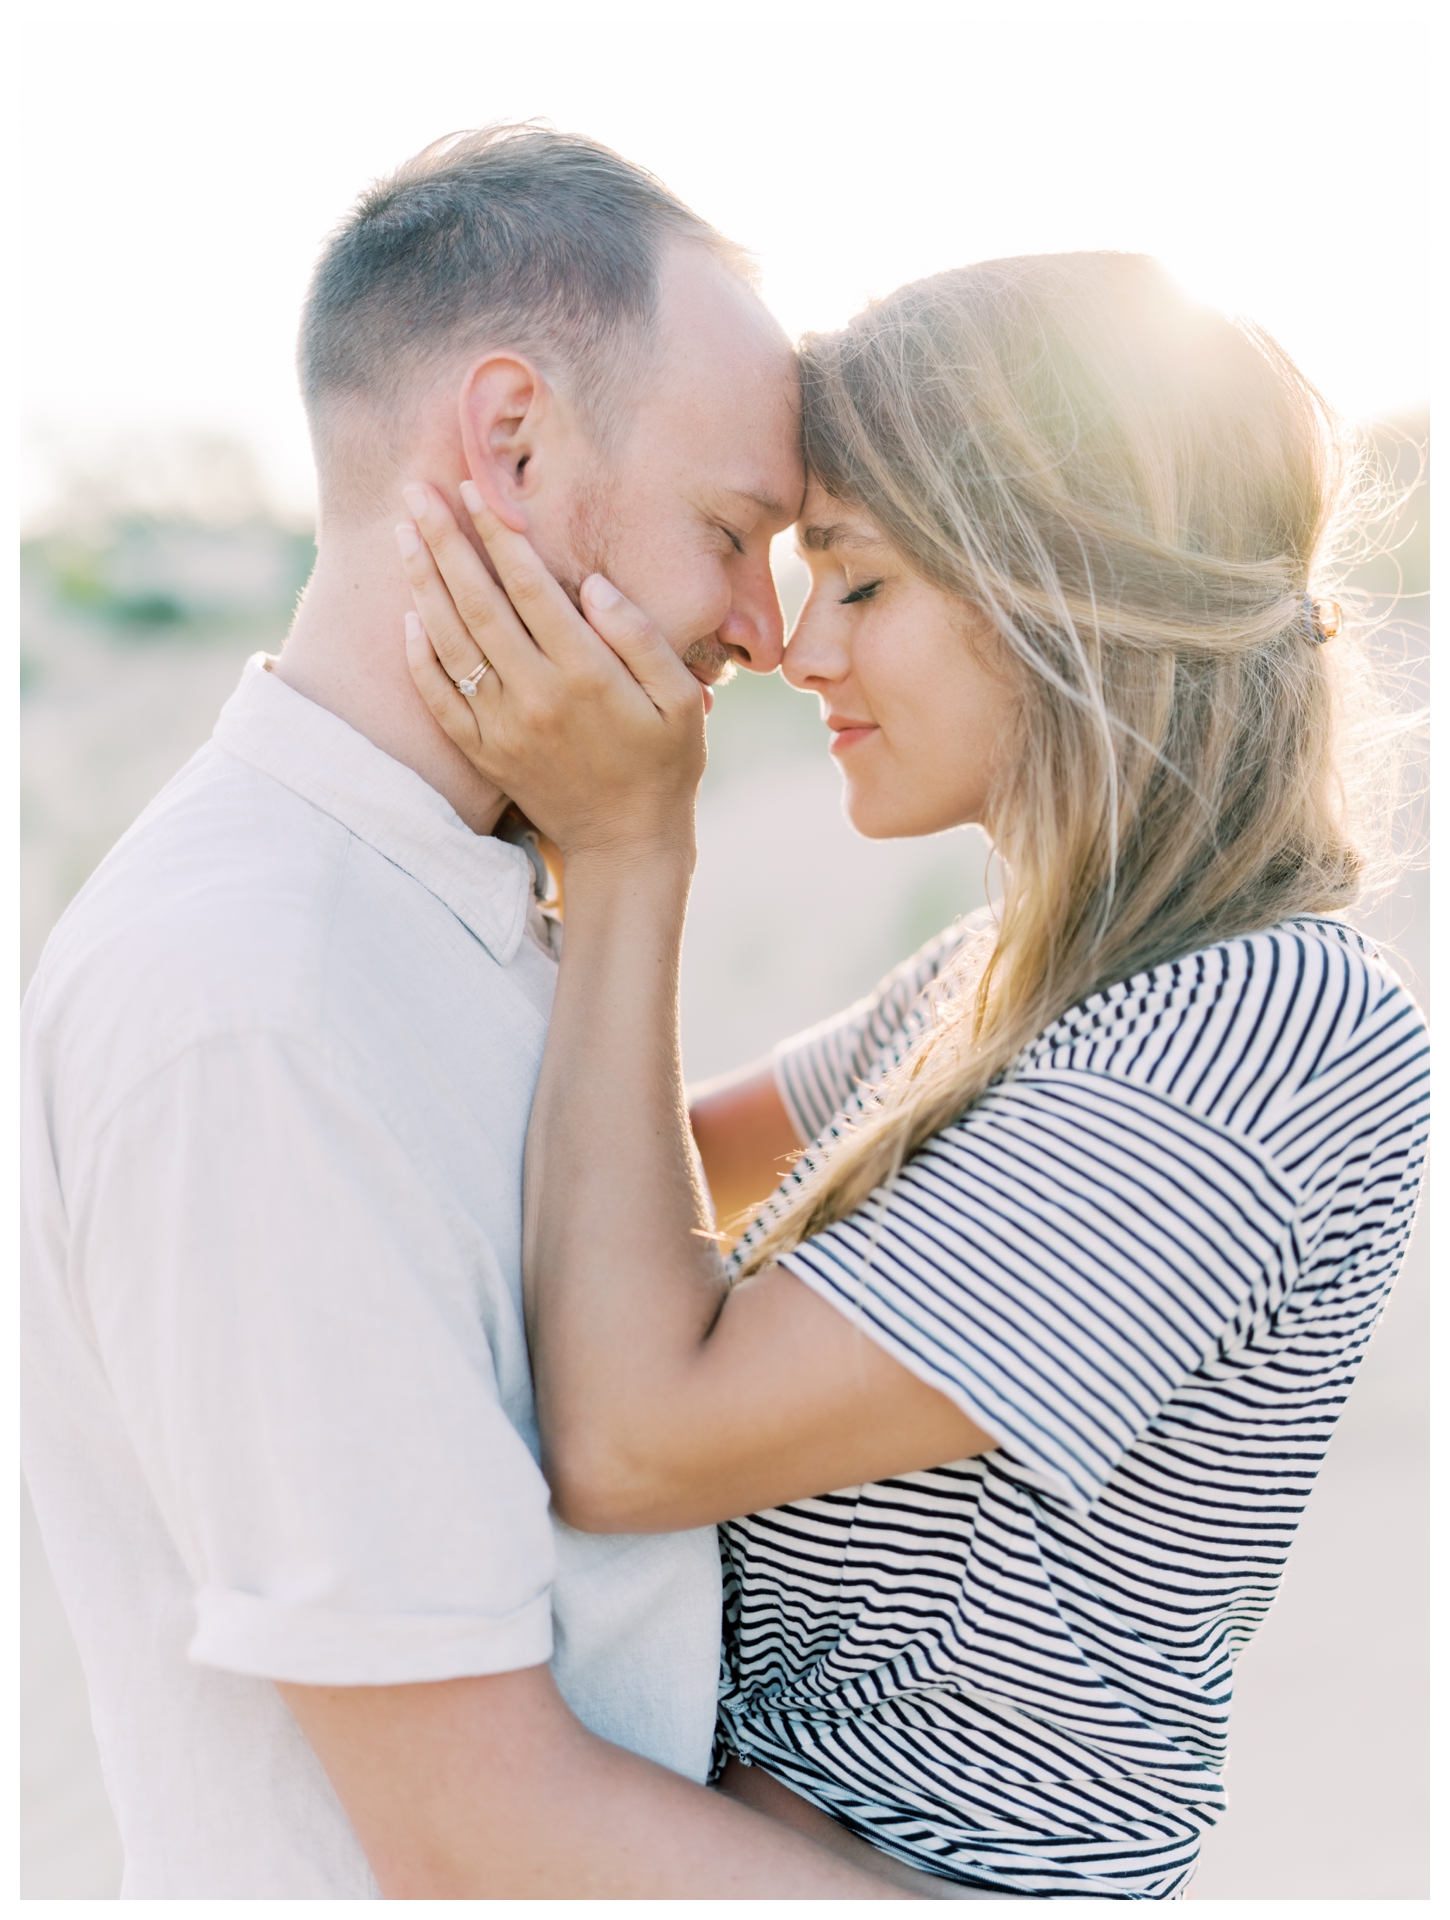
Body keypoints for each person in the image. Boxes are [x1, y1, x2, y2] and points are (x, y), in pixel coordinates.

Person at [398, 251, 1430, 1899]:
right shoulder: (1017, 978)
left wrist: (629, 847)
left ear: (1060, 588)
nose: (804, 650)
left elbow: (637, 1436)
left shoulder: (1256, 1029)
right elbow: (618, 1179)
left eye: (862, 583)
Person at [19, 125, 912, 1899]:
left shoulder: (446, 914)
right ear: (506, 440)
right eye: (728, 531)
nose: (760, 624)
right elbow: (481, 1831)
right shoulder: (253, 1000)